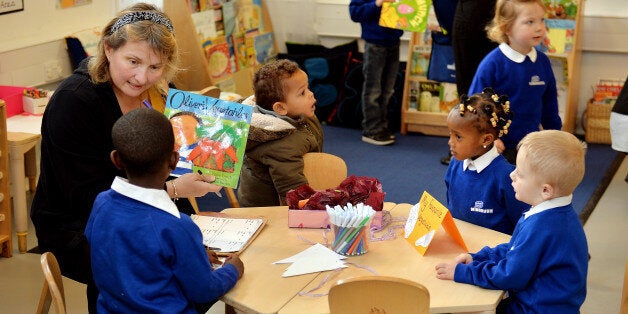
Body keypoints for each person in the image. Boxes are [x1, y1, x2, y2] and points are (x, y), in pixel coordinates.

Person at [30, 3, 222, 312]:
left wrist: (191, 226)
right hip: (80, 224)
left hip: (149, 215)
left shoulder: (161, 91)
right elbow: (88, 198)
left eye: (155, 67)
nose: (141, 77)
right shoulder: (75, 101)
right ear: (108, 48)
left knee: (194, 263)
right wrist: (172, 192)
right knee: (170, 278)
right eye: (132, 61)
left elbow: (170, 166)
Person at [85, 108, 244, 313]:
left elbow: (122, 253)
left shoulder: (101, 204)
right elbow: (204, 290)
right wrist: (233, 270)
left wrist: (192, 254)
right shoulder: (177, 226)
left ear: (116, 159)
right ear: (174, 160)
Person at [435, 129, 589, 313]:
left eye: (520, 174)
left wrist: (463, 272)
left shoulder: (542, 226)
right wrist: (477, 258)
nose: (511, 175)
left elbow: (511, 275)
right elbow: (514, 248)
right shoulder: (551, 212)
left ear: (546, 190)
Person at [468, 0, 562, 164]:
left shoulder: (543, 62)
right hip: (497, 148)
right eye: (530, 22)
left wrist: (555, 136)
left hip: (530, 147)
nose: (540, 27)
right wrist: (488, 138)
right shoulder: (492, 64)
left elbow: (550, 105)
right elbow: (475, 106)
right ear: (507, 28)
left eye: (542, 20)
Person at [237, 59, 324, 207]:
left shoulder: (298, 115)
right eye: (302, 93)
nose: (310, 94)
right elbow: (293, 189)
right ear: (280, 108)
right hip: (267, 210)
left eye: (308, 88)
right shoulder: (278, 145)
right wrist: (311, 209)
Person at [445, 88, 527, 234]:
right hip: (460, 246)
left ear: (486, 139)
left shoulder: (507, 177)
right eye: (450, 133)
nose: (450, 142)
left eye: (458, 137)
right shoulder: (454, 164)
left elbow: (522, 225)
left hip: (492, 253)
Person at [440, 0, 499, 166]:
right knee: (475, 91)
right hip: (484, 19)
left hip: (474, 17)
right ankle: (467, 147)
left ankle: (468, 148)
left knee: (473, 89)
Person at [350, 0, 403, 145]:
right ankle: (371, 130)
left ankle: (381, 126)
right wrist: (377, 3)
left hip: (393, 42)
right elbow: (354, 13)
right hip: (375, 44)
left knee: (387, 90)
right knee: (373, 90)